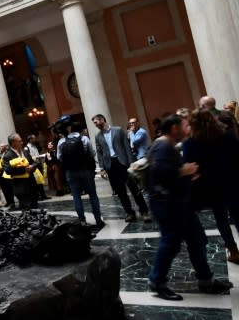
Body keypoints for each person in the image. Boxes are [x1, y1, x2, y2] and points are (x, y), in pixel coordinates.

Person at [147, 115, 232, 300]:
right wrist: (183, 171)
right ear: (174, 128)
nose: (188, 128)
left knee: (197, 240)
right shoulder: (162, 146)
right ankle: (157, 281)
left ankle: (206, 280)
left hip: (178, 203)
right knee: (171, 243)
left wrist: (186, 175)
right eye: (184, 125)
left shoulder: (167, 145)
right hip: (167, 204)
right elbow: (160, 172)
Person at [181, 110, 239, 263]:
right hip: (232, 181)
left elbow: (190, 166)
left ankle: (233, 250)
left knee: (221, 220)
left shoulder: (190, 143)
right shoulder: (228, 137)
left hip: (210, 187)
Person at [92, 114, 150, 222]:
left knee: (134, 188)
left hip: (123, 163)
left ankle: (144, 212)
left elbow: (127, 147)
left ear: (102, 120)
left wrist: (131, 163)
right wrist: (102, 167)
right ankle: (129, 212)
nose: (95, 125)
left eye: (96, 122)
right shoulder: (98, 136)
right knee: (120, 191)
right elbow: (99, 153)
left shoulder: (118, 130)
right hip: (110, 165)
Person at [57, 122, 104, 228]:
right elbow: (92, 153)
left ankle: (82, 221)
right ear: (79, 130)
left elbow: (59, 158)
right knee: (92, 195)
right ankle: (98, 220)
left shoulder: (61, 141)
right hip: (85, 170)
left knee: (76, 196)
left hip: (71, 172)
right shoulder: (84, 139)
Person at [2, 133, 39, 211]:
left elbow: (34, 162)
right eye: (19, 141)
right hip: (21, 187)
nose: (22, 143)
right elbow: (7, 170)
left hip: (32, 184)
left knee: (35, 208)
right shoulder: (7, 156)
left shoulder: (24, 151)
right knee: (27, 210)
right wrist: (24, 169)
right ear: (13, 143)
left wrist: (32, 167)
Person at [26, 134, 50, 200]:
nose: (35, 139)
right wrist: (37, 157)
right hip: (33, 166)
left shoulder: (35, 146)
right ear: (30, 139)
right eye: (34, 138)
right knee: (36, 181)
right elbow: (29, 158)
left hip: (38, 164)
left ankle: (43, 195)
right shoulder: (27, 148)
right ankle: (38, 196)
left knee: (41, 180)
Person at [0, 143, 15, 208]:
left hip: (7, 174)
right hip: (0, 176)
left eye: (2, 146)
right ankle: (8, 202)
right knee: (4, 189)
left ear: (6, 147)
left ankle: (12, 202)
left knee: (10, 189)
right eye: (0, 146)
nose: (0, 148)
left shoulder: (8, 154)